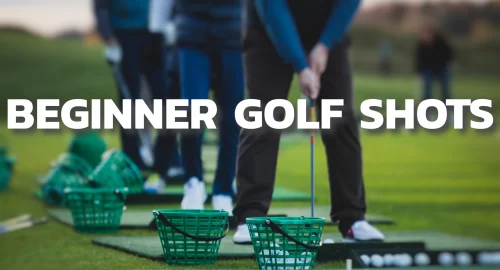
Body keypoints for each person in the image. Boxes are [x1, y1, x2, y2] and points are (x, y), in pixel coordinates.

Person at [232, 0, 385, 243]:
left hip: (325, 34)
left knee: (341, 121)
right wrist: (301, 65)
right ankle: (250, 217)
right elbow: (273, 10)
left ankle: (353, 218)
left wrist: (324, 46)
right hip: (267, 35)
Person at [93, 0, 177, 191]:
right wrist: (108, 36)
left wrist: (172, 20)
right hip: (124, 35)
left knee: (166, 100)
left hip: (156, 34)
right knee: (128, 103)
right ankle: (132, 162)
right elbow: (101, 5)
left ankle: (169, 158)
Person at [171, 0, 244, 213]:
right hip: (192, 33)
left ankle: (223, 190)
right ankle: (193, 182)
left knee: (232, 119)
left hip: (233, 34)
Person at [415, 24, 455, 101]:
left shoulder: (441, 42)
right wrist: (419, 73)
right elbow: (419, 60)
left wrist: (450, 63)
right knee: (427, 90)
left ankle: (449, 106)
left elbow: (449, 53)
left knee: (446, 90)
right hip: (428, 69)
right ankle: (426, 106)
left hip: (442, 68)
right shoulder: (421, 45)